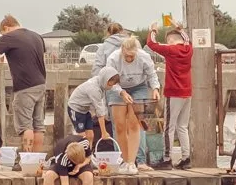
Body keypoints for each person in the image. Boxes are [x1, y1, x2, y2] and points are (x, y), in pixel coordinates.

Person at [0, 14, 49, 153]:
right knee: (38, 126)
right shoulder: (37, 36)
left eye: (2, 32)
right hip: (41, 84)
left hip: (25, 86)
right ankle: (37, 160)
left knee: (25, 126)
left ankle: (27, 158)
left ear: (6, 27)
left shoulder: (9, 37)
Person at [104, 34, 160, 172]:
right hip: (117, 87)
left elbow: (152, 74)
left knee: (135, 124)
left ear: (136, 52)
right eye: (127, 56)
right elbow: (109, 80)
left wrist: (155, 88)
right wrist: (121, 92)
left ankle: (133, 161)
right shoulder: (113, 58)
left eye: (132, 56)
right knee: (120, 125)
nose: (129, 58)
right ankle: (123, 160)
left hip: (139, 86)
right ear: (122, 51)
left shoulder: (144, 57)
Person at [148, 22, 194, 167]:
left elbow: (151, 44)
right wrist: (180, 28)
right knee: (182, 126)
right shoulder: (188, 49)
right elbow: (187, 39)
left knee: (169, 127)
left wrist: (153, 31)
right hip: (187, 93)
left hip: (173, 92)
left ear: (171, 40)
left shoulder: (170, 49)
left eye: (168, 40)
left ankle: (167, 159)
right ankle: (186, 158)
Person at [66, 64, 121, 145]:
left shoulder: (101, 82)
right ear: (105, 80)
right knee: (82, 136)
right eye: (110, 84)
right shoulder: (94, 89)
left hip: (85, 110)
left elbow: (114, 87)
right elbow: (100, 112)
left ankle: (88, 155)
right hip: (75, 109)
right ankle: (79, 155)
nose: (110, 87)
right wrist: (104, 132)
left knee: (90, 135)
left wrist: (122, 92)